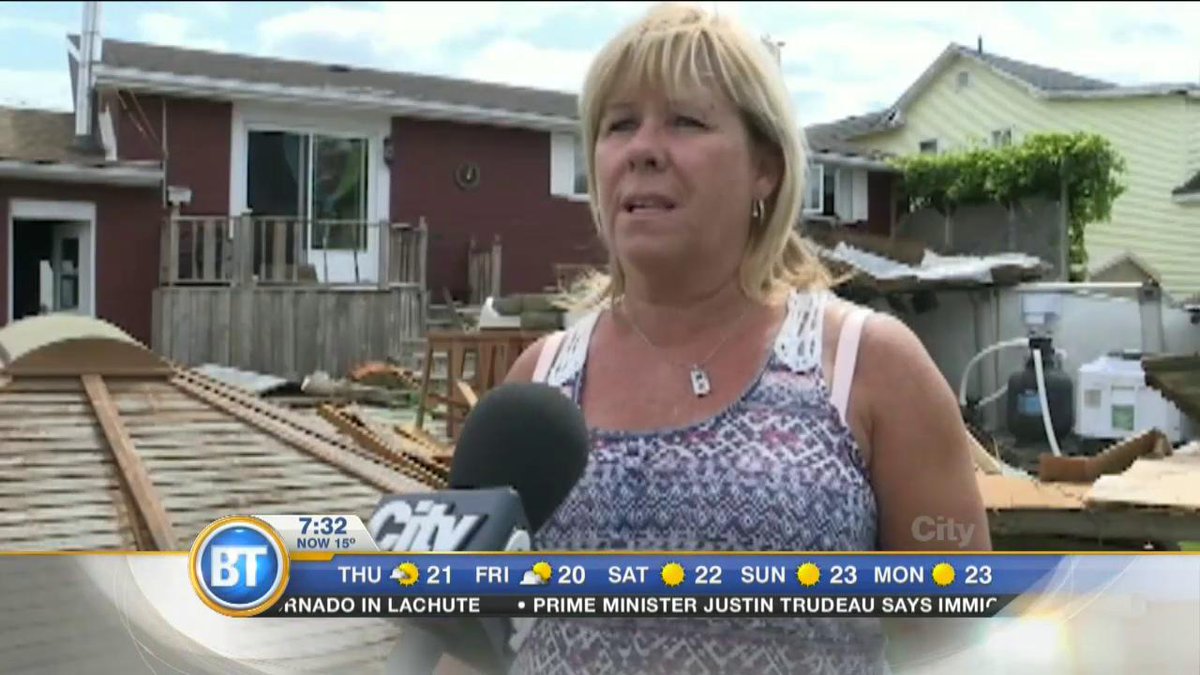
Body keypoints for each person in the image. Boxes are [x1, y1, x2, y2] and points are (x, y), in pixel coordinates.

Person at [502, 3, 991, 673]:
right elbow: (470, 640)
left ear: (765, 167)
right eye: (619, 125)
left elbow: (953, 645)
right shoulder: (538, 385)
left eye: (685, 120)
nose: (643, 147)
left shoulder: (869, 367)